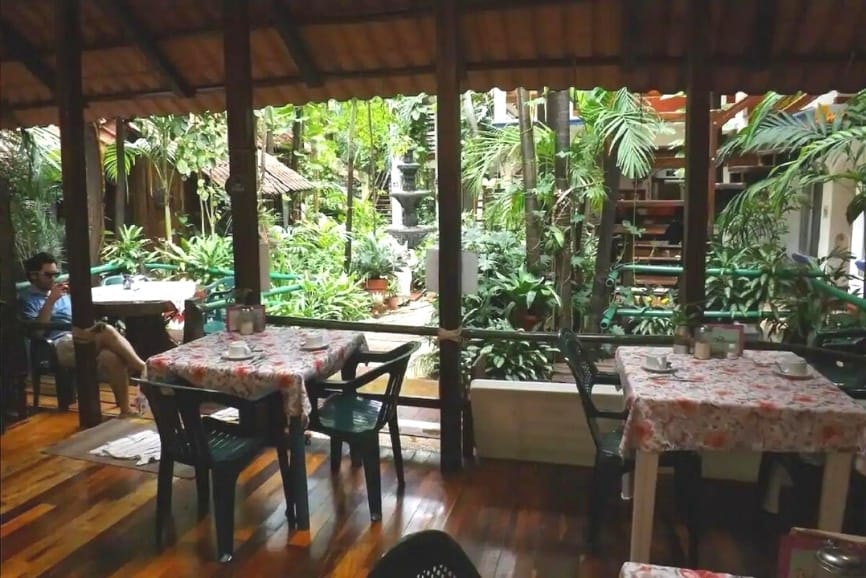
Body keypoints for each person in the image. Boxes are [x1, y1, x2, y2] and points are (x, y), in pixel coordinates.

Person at [19, 252, 146, 416]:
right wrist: (50, 301)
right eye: (49, 275)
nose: (53, 279)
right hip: (57, 344)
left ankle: (125, 410)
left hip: (78, 335)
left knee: (111, 356)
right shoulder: (27, 299)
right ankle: (144, 369)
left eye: (56, 275)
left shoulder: (62, 294)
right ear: (33, 276)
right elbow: (38, 331)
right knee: (106, 330)